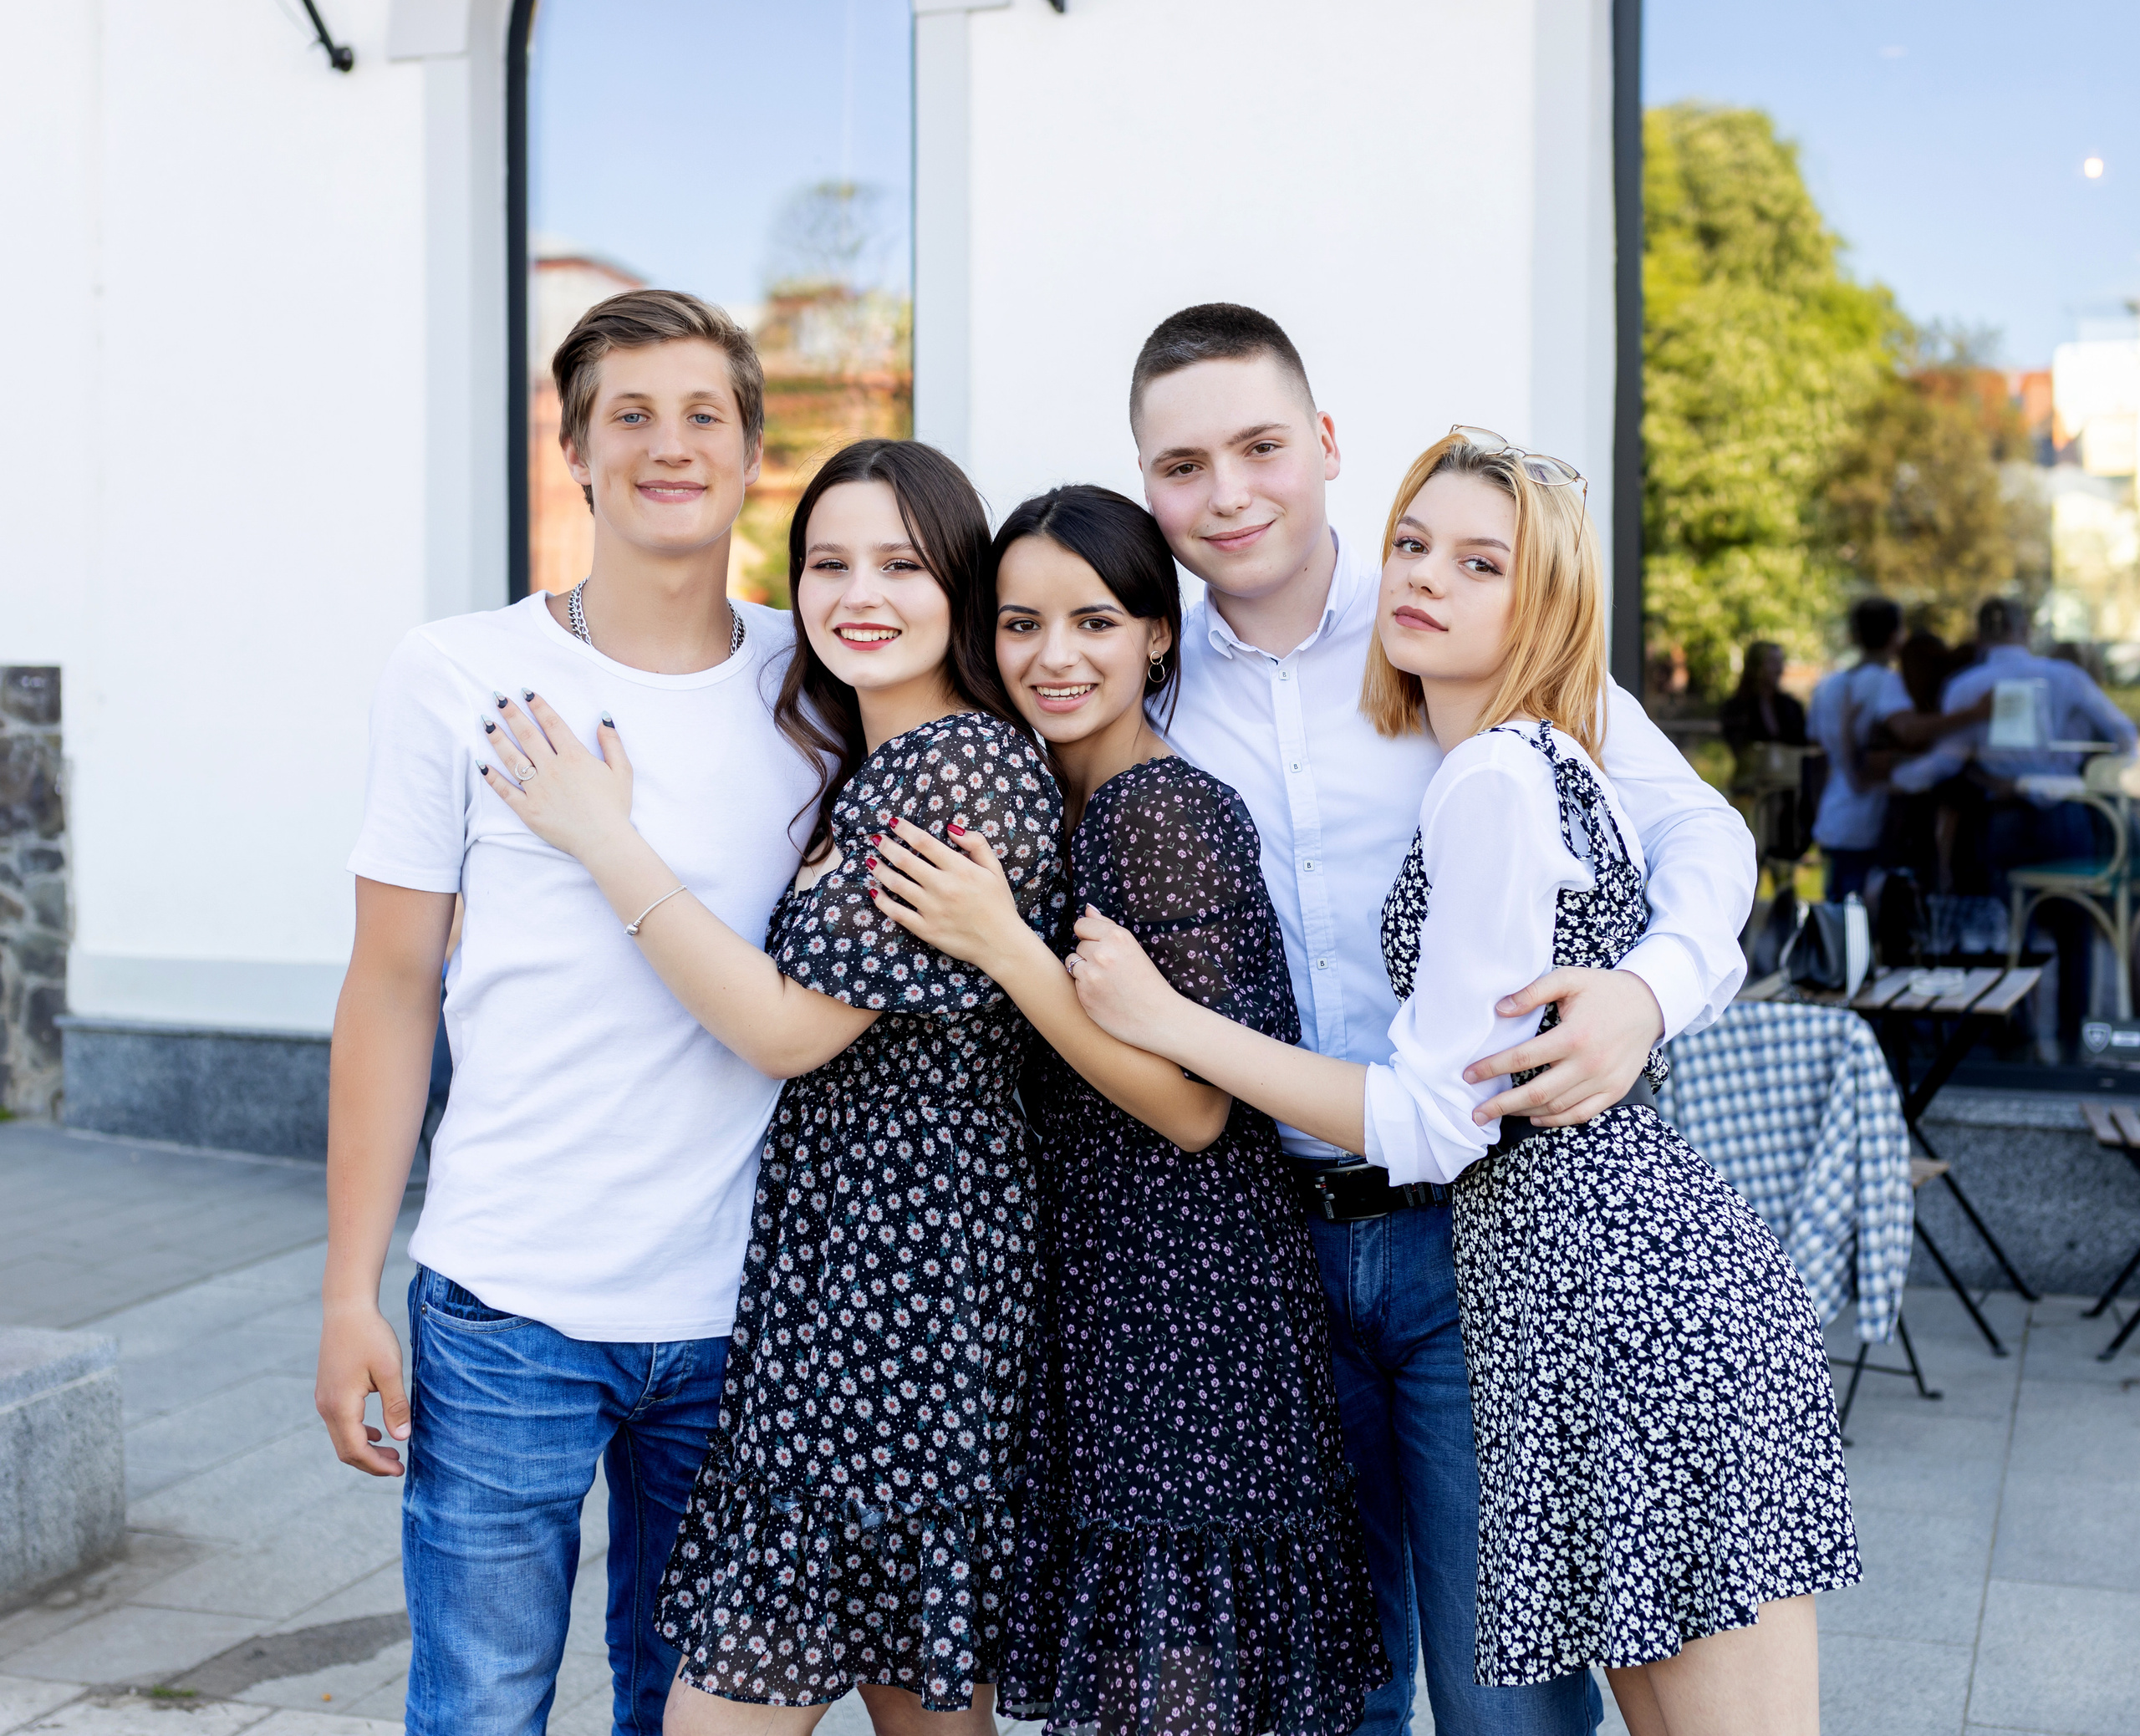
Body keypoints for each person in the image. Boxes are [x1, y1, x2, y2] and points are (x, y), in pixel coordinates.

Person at [1066, 430, 1860, 1736]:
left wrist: (1165, 1019)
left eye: (1479, 562)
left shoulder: (1495, 771)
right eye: (1415, 546)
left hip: (1619, 1304)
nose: (1425, 579)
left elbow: (1439, 1119)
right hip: (1544, 1287)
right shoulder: (1460, 752)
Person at [476, 437, 1063, 1734]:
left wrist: (600, 840)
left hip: (907, 1314)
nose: (860, 592)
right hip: (837, 1300)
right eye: (828, 562)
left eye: (902, 564)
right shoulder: (867, 767)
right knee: (912, 1701)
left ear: (960, 584)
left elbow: (788, 1032)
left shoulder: (956, 768)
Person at [325, 289, 821, 1734]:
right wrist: (350, 1287)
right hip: (507, 1303)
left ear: (749, 451)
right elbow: (389, 984)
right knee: (479, 1704)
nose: (671, 446)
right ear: (577, 450)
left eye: (704, 415)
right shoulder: (456, 673)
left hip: (744, 1306)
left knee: (689, 1708)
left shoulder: (816, 675)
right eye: (632, 415)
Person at [861, 485, 1388, 1736]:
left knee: (1180, 1686)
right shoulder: (1055, 801)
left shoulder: (1164, 810)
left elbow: (1198, 1110)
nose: (1054, 657)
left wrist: (1006, 947)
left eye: (1094, 622)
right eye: (1021, 623)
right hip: (1104, 1296)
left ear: (1159, 632)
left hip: (1189, 1312)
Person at [1892, 596, 2138, 1039]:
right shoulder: (2064, 677)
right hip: (2063, 814)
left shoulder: (1969, 685)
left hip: (2007, 816)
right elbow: (2124, 736)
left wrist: (1890, 776)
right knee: (2072, 933)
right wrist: (2089, 777)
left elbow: (1945, 762)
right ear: (2025, 630)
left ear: (1981, 635)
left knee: (2010, 934)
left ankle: (2018, 1038)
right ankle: (2073, 1038)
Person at [1807, 597, 1910, 900]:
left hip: (1832, 809)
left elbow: (1816, 750)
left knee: (1834, 907)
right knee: (1857, 913)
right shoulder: (1887, 684)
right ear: (1895, 636)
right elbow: (1905, 731)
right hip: (1868, 812)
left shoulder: (1827, 685)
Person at [1717, 642, 1807, 755]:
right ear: (1756, 666)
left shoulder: (1791, 707)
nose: (1779, 669)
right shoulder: (1736, 709)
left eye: (1780, 662)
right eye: (1772, 662)